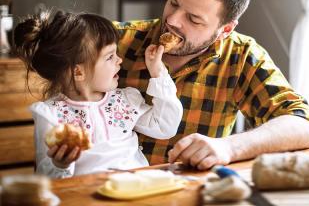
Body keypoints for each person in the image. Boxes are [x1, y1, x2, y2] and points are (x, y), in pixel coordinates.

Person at [114, 0, 309, 170]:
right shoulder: (112, 40)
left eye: (193, 19)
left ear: (225, 30)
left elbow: (300, 125)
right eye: (173, 2)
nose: (171, 20)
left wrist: (230, 147)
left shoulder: (240, 56)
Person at [13, 10, 183, 178]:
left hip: (136, 189)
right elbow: (46, 175)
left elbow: (165, 126)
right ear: (78, 72)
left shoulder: (124, 101)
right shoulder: (51, 115)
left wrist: (158, 72)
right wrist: (60, 165)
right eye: (110, 57)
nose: (119, 60)